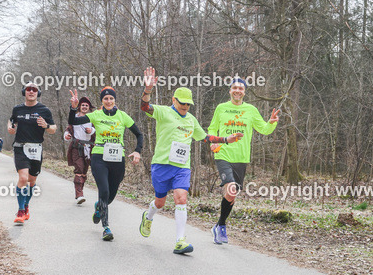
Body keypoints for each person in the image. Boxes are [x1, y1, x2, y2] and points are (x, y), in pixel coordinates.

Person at [138, 67, 242, 254]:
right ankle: (148, 216)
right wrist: (147, 90)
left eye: (188, 104)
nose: (185, 106)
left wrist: (226, 139)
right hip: (161, 164)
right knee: (160, 202)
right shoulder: (163, 112)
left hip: (181, 167)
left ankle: (180, 241)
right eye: (182, 103)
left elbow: (205, 138)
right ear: (174, 100)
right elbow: (145, 107)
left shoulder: (191, 120)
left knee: (181, 198)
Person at [207, 78, 279, 244]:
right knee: (231, 190)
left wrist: (272, 122)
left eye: (241, 88)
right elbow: (212, 128)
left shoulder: (251, 110)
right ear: (230, 91)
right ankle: (222, 227)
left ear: (244, 92)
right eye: (234, 87)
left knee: (232, 196)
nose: (237, 90)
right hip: (223, 153)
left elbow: (264, 129)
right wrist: (215, 140)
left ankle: (218, 225)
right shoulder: (221, 108)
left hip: (241, 158)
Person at [68, 87, 142, 241]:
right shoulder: (96, 115)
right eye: (105, 99)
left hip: (117, 159)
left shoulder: (123, 116)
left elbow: (139, 134)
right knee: (104, 190)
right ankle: (106, 227)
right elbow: (73, 121)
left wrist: (137, 151)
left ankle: (99, 207)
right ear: (102, 101)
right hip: (99, 158)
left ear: (115, 100)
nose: (108, 101)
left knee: (111, 195)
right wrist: (73, 107)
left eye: (111, 99)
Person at [7, 84, 56, 224]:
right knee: (23, 178)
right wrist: (10, 128)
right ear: (24, 92)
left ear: (38, 93)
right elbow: (11, 121)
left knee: (32, 181)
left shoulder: (44, 110)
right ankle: (21, 210)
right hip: (20, 147)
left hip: (36, 148)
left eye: (34, 90)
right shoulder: (17, 109)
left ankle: (26, 206)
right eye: (29, 89)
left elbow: (53, 128)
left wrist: (46, 126)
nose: (31, 91)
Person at [63, 95, 95, 205]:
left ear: (89, 107)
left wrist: (91, 130)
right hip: (77, 147)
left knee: (84, 171)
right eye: (83, 105)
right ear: (79, 107)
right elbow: (68, 129)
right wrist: (67, 135)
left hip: (89, 147)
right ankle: (79, 194)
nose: (85, 107)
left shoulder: (92, 118)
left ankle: (80, 192)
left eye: (86, 105)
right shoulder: (74, 117)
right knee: (79, 168)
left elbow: (97, 131)